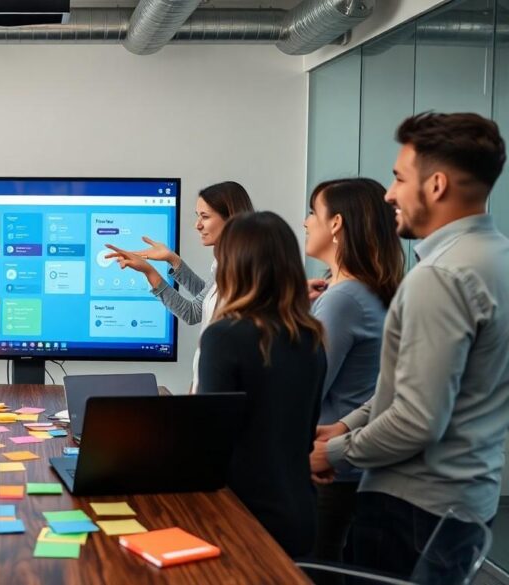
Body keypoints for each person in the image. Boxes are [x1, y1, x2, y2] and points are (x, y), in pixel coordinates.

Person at [311, 112, 509, 578]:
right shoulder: (495, 258)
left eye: (400, 178)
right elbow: (421, 387)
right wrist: (347, 425)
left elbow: (417, 420)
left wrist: (333, 453)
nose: (389, 193)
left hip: (414, 509)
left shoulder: (440, 277)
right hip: (466, 502)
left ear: (436, 186)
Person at [198, 211, 327, 557]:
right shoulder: (310, 336)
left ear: (233, 266)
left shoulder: (223, 337)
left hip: (241, 517)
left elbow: (210, 445)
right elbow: (303, 434)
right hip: (299, 515)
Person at [302, 178, 404, 566]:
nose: (306, 222)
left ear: (336, 224)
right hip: (349, 464)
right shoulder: (358, 290)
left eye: (313, 212)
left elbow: (306, 387)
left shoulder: (342, 298)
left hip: (327, 465)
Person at [105, 181, 253, 392]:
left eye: (205, 217)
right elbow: (208, 299)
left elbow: (193, 312)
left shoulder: (239, 269)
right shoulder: (224, 262)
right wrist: (173, 260)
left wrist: (150, 273)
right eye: (197, 216)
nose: (197, 225)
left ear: (231, 219)